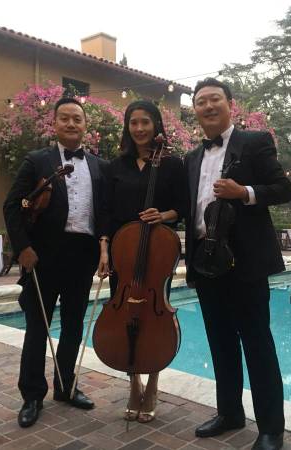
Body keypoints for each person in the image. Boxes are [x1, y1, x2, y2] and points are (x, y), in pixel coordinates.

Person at [183, 78, 291, 450]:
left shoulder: (255, 142)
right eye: (201, 101)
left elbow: (283, 189)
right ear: (195, 110)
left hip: (245, 263)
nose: (208, 106)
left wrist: (243, 192)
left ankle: (271, 429)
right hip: (205, 261)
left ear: (230, 104)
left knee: (257, 345)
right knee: (220, 343)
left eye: (215, 99)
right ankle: (229, 413)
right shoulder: (191, 158)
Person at [3, 97, 108, 428]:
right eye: (65, 118)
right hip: (44, 256)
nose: (71, 123)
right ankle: (32, 395)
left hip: (82, 255)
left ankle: (65, 386)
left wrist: (104, 250)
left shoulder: (99, 166)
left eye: (77, 118)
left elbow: (105, 212)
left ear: (86, 125)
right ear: (55, 123)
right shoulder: (37, 160)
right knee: (38, 328)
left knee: (74, 326)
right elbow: (12, 205)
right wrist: (23, 248)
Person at [97, 100, 186, 423]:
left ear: (156, 124)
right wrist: (104, 249)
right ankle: (133, 383)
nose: (139, 128)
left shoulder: (172, 165)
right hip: (123, 254)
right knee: (123, 319)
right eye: (133, 122)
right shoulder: (115, 166)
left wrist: (162, 215)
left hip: (157, 255)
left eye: (145, 121)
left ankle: (154, 384)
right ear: (127, 126)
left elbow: (183, 206)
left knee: (154, 323)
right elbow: (105, 211)